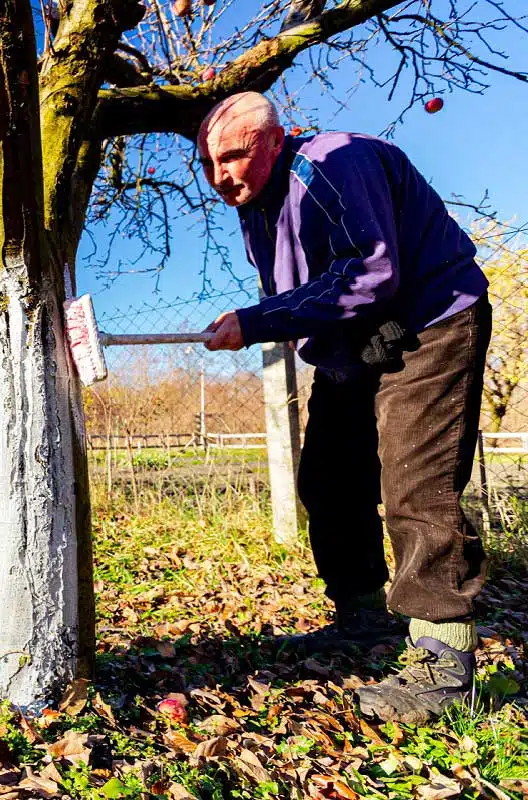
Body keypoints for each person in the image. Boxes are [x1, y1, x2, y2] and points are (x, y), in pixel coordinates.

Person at [197, 92, 490, 724]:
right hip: (360, 343)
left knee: (418, 485)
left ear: (276, 141)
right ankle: (363, 621)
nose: (220, 174)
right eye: (208, 163)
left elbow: (370, 270)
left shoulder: (335, 161)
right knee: (328, 477)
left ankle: (444, 661)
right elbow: (305, 293)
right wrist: (289, 330)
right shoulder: (257, 207)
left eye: (233, 156)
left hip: (428, 322)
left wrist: (254, 322)